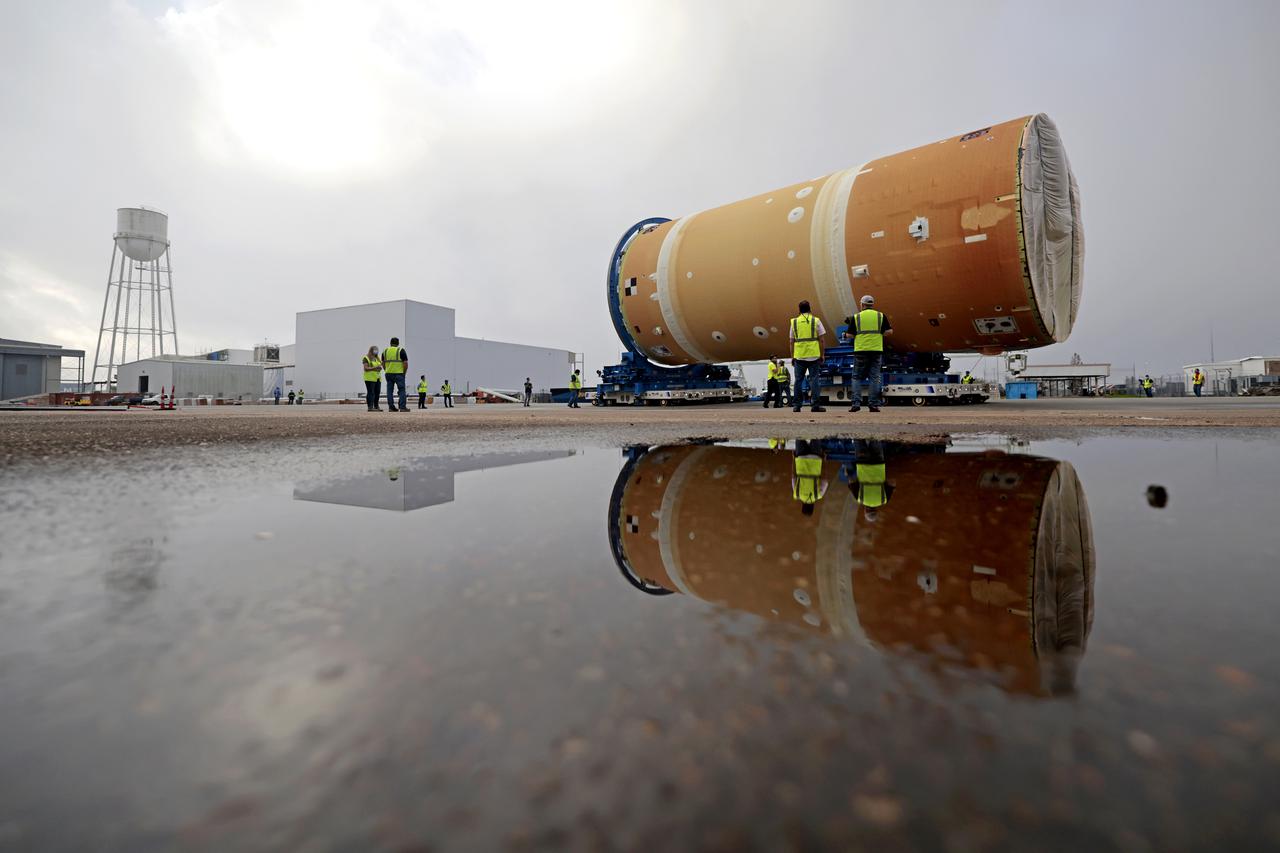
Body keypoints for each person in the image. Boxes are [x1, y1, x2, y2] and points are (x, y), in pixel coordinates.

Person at [845, 294, 892, 413]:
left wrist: (846, 335)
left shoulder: (856, 317)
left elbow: (850, 335)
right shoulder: (880, 316)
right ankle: (873, 405)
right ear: (872, 304)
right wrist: (879, 334)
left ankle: (856, 404)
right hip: (876, 350)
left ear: (862, 304)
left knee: (856, 377)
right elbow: (889, 332)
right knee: (875, 378)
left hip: (861, 350)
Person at [789, 300, 827, 412]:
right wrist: (822, 354)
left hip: (799, 356)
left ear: (799, 310)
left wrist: (792, 356)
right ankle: (815, 405)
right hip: (814, 355)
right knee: (814, 380)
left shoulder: (794, 322)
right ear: (810, 309)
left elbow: (791, 341)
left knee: (798, 381)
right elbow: (822, 340)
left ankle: (797, 406)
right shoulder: (816, 320)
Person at [847, 439, 894, 522]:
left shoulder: (884, 500)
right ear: (865, 511)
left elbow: (893, 482)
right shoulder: (860, 499)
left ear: (876, 511)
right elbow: (851, 480)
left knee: (875, 439)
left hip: (878, 464)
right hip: (863, 463)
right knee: (859, 439)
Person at [791, 439, 828, 515]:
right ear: (802, 506)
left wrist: (824, 460)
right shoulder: (796, 494)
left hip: (816, 459)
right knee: (799, 435)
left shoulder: (818, 495)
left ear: (812, 507)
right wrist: (794, 458)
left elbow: (825, 479)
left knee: (816, 435)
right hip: (801, 459)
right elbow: (793, 476)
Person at [382, 337, 408, 412]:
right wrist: (404, 373)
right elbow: (405, 363)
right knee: (402, 390)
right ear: (398, 343)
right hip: (399, 374)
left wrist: (386, 370)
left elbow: (383, 363)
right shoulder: (401, 350)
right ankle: (402, 407)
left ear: (390, 343)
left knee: (389, 391)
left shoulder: (385, 351)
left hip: (388, 374)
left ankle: (391, 407)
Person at [362, 346, 383, 411]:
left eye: (377, 350)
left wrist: (380, 368)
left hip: (377, 378)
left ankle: (376, 406)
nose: (376, 351)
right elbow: (366, 368)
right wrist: (375, 368)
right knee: (371, 392)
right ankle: (370, 407)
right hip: (369, 378)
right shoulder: (366, 358)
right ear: (371, 350)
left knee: (377, 392)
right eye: (375, 350)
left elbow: (380, 365)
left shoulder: (377, 358)